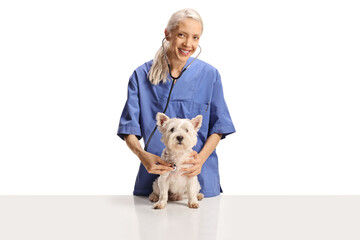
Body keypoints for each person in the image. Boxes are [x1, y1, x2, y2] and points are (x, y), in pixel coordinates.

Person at [117, 8, 235, 198]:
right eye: (182, 35)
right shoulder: (140, 76)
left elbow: (219, 126)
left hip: (199, 179)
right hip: (154, 179)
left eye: (195, 37)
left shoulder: (210, 75)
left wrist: (201, 159)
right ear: (167, 34)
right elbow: (128, 129)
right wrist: (142, 155)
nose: (188, 44)